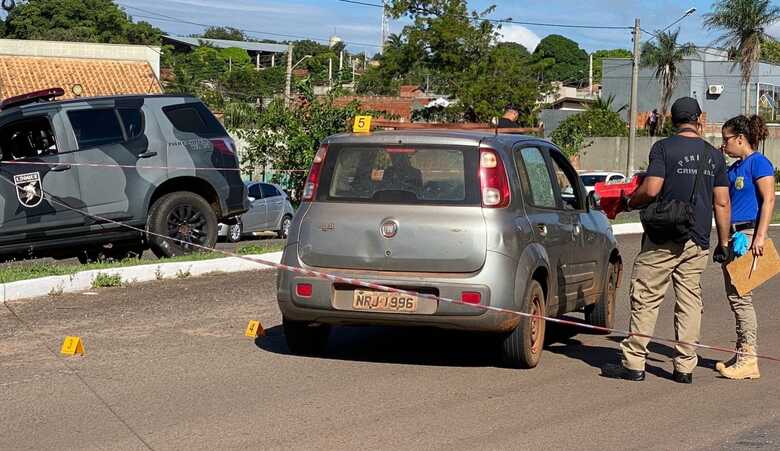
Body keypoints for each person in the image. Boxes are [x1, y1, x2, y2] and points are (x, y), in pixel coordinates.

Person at [601, 97, 731, 383]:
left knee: (646, 297)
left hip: (663, 237)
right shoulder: (714, 156)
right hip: (696, 239)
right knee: (689, 301)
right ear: (699, 120)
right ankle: (684, 367)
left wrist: (629, 201)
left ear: (672, 120)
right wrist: (724, 243)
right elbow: (722, 202)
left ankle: (634, 363)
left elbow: (652, 189)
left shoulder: (663, 148)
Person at [715, 115, 774, 380]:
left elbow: (769, 199)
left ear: (740, 138)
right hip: (732, 235)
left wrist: (760, 236)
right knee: (734, 296)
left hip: (748, 235)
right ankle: (741, 351)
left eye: (726, 139)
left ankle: (749, 358)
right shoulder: (733, 168)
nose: (724, 143)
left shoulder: (758, 163)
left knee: (742, 297)